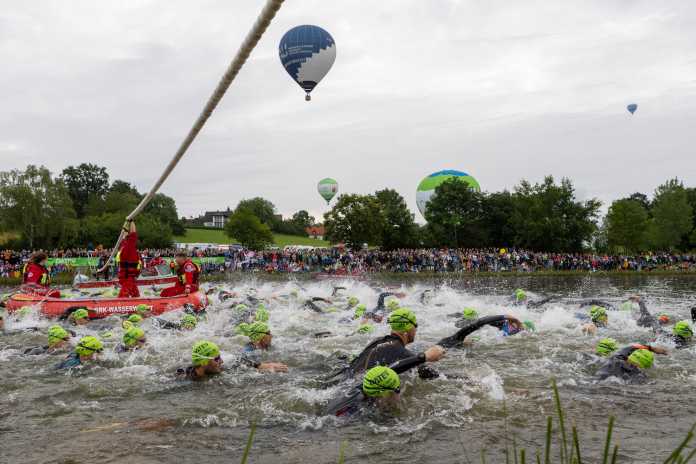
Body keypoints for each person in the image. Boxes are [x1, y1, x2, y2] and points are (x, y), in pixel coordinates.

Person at [325, 308, 445, 383]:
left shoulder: (378, 341)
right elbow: (435, 377)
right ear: (408, 328)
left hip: (342, 381)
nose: (416, 330)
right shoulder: (400, 352)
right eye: (415, 326)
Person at [595, 343, 667, 383]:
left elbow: (631, 347)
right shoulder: (639, 375)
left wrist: (651, 348)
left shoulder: (614, 359)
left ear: (630, 356)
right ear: (644, 366)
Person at [117, 220, 141, 298]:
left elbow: (125, 234)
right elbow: (133, 233)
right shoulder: (129, 246)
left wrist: (127, 225)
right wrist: (132, 220)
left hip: (129, 278)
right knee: (123, 298)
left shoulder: (123, 244)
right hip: (128, 278)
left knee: (136, 296)